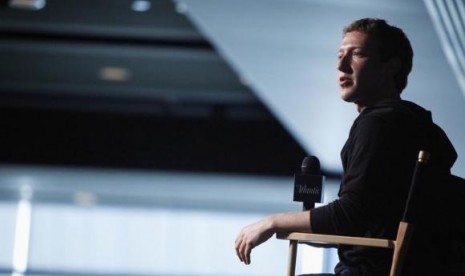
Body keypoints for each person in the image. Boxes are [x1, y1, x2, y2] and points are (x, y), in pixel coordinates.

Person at [234, 18, 458, 276]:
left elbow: (349, 214)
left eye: (358, 54)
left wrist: (271, 222)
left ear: (390, 67)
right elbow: (366, 223)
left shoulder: (378, 124)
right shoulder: (415, 126)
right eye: (340, 55)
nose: (342, 65)